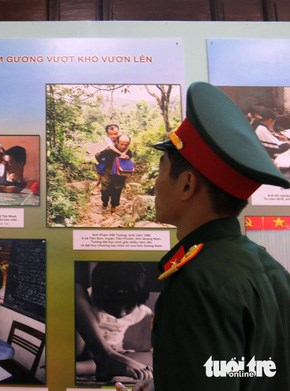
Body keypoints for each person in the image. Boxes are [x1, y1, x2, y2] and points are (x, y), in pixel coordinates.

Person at [116, 82, 290, 391]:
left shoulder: (196, 283)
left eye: (160, 172)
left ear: (186, 185)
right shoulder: (270, 270)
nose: (154, 186)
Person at [76, 262, 153, 382]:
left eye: (129, 307)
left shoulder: (142, 312)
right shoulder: (85, 304)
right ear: (97, 294)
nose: (121, 314)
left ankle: (101, 365)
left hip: (117, 353)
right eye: (111, 306)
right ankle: (80, 367)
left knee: (151, 357)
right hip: (86, 349)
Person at [96, 134, 132, 213]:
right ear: (117, 143)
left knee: (117, 189)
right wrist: (103, 163)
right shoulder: (109, 150)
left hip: (120, 173)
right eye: (121, 144)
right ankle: (104, 203)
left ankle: (113, 205)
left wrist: (127, 158)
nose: (123, 146)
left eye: (126, 145)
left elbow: (129, 160)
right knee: (104, 189)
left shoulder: (128, 151)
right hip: (108, 171)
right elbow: (98, 156)